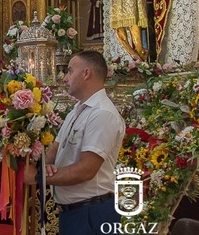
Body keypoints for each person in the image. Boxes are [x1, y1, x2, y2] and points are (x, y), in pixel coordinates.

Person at [24, 50, 125, 234]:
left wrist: (39, 177)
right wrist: (40, 164)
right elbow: (55, 150)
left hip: (92, 212)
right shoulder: (77, 110)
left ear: (86, 73)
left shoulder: (102, 113)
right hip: (74, 212)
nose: (64, 78)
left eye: (70, 71)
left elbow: (86, 170)